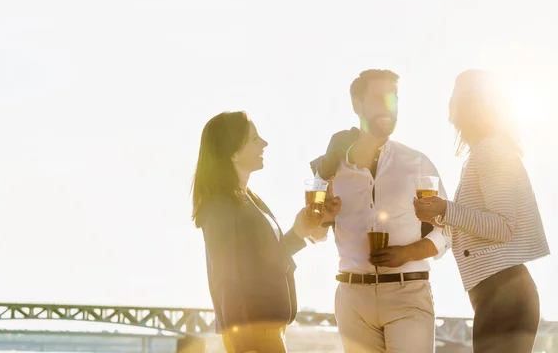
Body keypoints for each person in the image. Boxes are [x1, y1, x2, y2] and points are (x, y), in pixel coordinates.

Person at [309, 69, 451, 352]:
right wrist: (322, 221)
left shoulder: (417, 163)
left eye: (394, 99)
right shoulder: (328, 171)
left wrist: (409, 253)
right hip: (352, 301)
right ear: (356, 105)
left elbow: (447, 230)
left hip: (407, 295)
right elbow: (314, 234)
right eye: (378, 99)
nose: (389, 107)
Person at [414, 69, 550, 353]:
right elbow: (475, 224)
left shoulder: (491, 151)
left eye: (453, 96)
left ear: (470, 103)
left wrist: (447, 211)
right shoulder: (480, 153)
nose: (448, 103)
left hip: (506, 295)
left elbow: (502, 226)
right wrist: (440, 216)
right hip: (497, 295)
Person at [192, 111, 341, 353]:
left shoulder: (248, 199)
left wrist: (299, 231)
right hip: (252, 335)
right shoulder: (219, 205)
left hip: (268, 331)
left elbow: (266, 259)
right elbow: (226, 277)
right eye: (254, 139)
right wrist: (243, 342)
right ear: (232, 152)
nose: (264, 143)